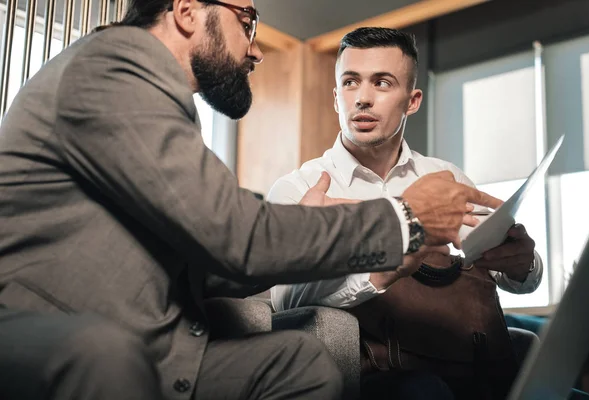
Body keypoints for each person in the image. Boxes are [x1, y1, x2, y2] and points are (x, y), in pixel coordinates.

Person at [0, 1, 502, 399]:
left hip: (157, 347)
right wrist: (406, 220)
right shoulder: (114, 69)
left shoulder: (168, 107)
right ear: (187, 10)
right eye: (248, 21)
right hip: (56, 332)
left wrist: (293, 226)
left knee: (300, 364)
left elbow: (211, 256)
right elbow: (234, 234)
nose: (256, 51)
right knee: (104, 355)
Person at [268, 27, 543, 399]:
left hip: (462, 357)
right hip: (379, 375)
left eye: (381, 83)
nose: (362, 99)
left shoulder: (445, 177)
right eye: (350, 83)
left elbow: (506, 273)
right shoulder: (298, 188)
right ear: (336, 97)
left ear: (412, 101)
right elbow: (287, 303)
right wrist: (390, 256)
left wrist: (525, 264)